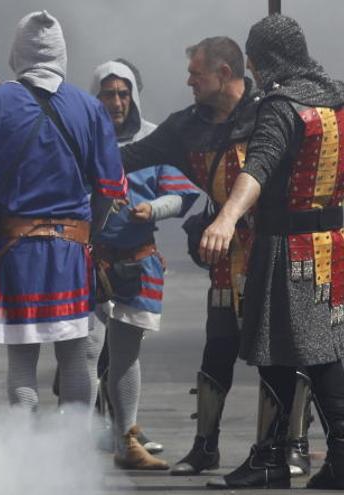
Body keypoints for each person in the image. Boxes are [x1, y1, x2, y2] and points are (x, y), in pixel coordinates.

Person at [117, 37, 273, 476]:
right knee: (217, 349)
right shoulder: (185, 127)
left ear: (224, 74)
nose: (188, 81)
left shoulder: (269, 114)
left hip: (274, 253)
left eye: (196, 74)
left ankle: (282, 448)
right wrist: (78, 155)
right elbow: (129, 158)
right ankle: (205, 447)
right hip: (224, 256)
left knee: (279, 355)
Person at [201, 15, 344, 489]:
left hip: (291, 250)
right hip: (335, 246)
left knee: (314, 355)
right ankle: (272, 456)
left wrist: (225, 217)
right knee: (287, 353)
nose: (256, 72)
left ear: (265, 60)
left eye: (256, 61)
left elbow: (257, 167)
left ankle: (328, 456)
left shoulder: (282, 106)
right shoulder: (338, 97)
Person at [0, 11, 126, 415]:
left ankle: (27, 462)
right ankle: (73, 456)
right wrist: (88, 236)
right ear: (60, 53)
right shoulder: (89, 108)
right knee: (76, 356)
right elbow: (110, 189)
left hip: (14, 253)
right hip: (71, 252)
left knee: (21, 366)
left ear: (17, 52)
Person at [90, 60, 201, 469]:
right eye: (108, 93)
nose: (117, 102)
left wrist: (152, 209)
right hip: (87, 262)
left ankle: (127, 440)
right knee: (85, 353)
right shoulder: (81, 136)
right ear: (96, 96)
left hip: (136, 262)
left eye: (123, 93)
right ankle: (76, 440)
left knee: (124, 355)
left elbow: (182, 193)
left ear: (133, 95)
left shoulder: (155, 140)